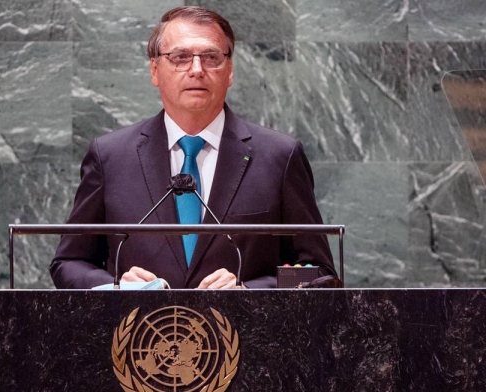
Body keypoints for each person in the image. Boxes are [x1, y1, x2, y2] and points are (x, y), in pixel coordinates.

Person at [50, 6, 336, 289]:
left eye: (211, 57)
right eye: (180, 57)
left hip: (247, 333)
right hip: (138, 332)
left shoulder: (279, 157)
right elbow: (69, 262)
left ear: (230, 71)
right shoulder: (110, 157)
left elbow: (320, 273)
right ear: (155, 70)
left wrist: (250, 290)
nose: (197, 70)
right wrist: (116, 286)